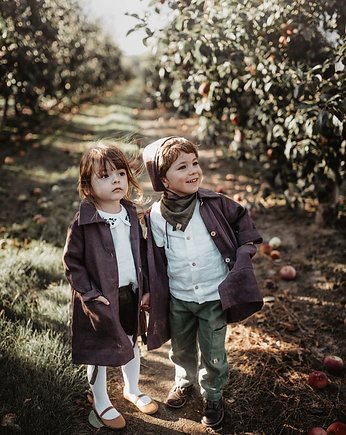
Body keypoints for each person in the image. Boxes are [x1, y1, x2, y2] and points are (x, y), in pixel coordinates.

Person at [142, 136, 263, 428]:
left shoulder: (214, 204)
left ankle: (213, 394)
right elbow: (156, 258)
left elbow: (243, 225)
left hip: (212, 295)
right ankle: (184, 381)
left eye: (195, 163)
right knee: (181, 348)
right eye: (182, 167)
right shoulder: (156, 216)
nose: (193, 171)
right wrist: (151, 290)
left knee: (213, 351)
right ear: (164, 180)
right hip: (179, 297)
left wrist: (242, 257)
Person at [63, 141, 158, 431]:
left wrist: (145, 287)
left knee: (131, 341)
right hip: (100, 298)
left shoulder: (129, 214)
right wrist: (90, 295)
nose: (115, 180)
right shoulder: (85, 222)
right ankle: (100, 397)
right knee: (100, 350)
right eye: (104, 176)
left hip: (128, 291)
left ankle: (132, 388)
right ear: (88, 186)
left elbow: (141, 250)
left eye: (119, 173)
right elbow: (72, 262)